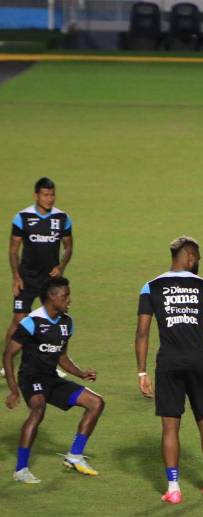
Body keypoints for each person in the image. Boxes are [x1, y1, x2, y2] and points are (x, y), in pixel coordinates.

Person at [136, 236, 203, 504]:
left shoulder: (150, 287)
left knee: (170, 428)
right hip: (199, 361)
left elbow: (142, 332)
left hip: (169, 364)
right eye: (197, 257)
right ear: (188, 256)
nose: (198, 262)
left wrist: (141, 372)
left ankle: (173, 488)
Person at [3, 277, 104, 483]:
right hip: (31, 377)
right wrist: (13, 389)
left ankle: (74, 456)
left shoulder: (67, 322)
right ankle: (21, 470)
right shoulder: (32, 322)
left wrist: (81, 373)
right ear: (51, 297)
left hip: (51, 378)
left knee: (96, 403)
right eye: (65, 295)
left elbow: (61, 356)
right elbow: (8, 355)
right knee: (38, 408)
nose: (69, 300)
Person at [4, 177, 73, 379]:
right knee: (19, 321)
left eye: (52, 195)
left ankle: (51, 363)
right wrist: (16, 276)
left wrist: (61, 266)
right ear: (36, 195)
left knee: (52, 322)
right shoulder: (22, 218)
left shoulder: (62, 218)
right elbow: (13, 250)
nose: (49, 199)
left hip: (50, 283)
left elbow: (68, 246)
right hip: (27, 279)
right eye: (45, 194)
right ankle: (6, 362)